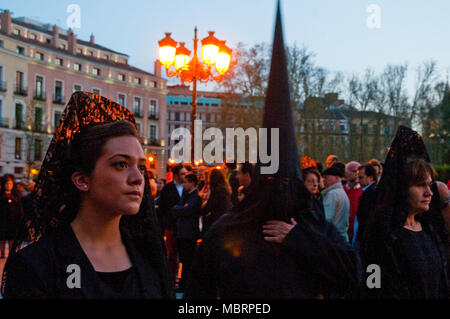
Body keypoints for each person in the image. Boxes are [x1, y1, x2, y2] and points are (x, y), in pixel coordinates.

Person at [184, 4, 361, 299]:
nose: (281, 192)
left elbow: (352, 274)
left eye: (288, 185)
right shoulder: (226, 231)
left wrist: (299, 240)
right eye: (272, 184)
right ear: (258, 184)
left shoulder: (314, 227)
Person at [1, 92, 174, 299]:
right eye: (121, 164)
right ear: (82, 180)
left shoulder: (148, 255)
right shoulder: (37, 264)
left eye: (141, 168)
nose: (138, 178)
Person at [361, 126, 449, 299]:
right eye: (419, 185)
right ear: (401, 189)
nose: (429, 193)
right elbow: (373, 286)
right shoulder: (381, 235)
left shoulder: (429, 230)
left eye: (429, 185)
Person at [172, 173, 202, 291]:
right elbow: (177, 208)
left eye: (186, 182)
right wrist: (182, 209)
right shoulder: (187, 197)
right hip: (183, 232)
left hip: (189, 233)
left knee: (188, 260)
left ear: (192, 183)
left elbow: (186, 210)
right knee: (184, 259)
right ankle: (184, 283)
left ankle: (185, 284)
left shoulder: (195, 198)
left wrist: (181, 209)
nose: (183, 184)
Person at [157, 164, 187, 283]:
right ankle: (171, 279)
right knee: (172, 255)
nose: (185, 176)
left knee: (184, 254)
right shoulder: (168, 188)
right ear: (175, 176)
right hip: (171, 226)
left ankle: (182, 279)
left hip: (184, 226)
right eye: (182, 174)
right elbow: (162, 208)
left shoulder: (188, 187)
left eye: (185, 173)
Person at [321, 164, 350, 242]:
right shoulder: (341, 192)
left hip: (333, 238)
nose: (324, 180)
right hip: (342, 237)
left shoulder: (332, 194)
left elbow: (327, 218)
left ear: (336, 178)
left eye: (326, 177)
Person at [200, 169, 232, 236]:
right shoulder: (225, 189)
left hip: (217, 220)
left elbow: (209, 207)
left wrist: (199, 209)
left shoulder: (216, 191)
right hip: (225, 218)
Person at [352, 164, 377, 250]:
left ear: (370, 178)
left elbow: (365, 218)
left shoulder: (371, 194)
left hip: (365, 238)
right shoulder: (370, 192)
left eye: (361, 178)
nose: (358, 181)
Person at [0, 175, 24, 259]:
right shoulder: (1, 196)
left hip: (13, 221)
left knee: (11, 238)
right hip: (2, 221)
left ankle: (11, 253)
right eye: (7, 184)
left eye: (10, 184)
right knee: (2, 239)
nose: (8, 185)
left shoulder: (15, 196)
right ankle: (2, 253)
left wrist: (20, 218)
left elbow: (20, 209)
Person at [344, 161, 362, 242]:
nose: (356, 174)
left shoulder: (363, 191)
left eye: (358, 172)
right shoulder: (342, 190)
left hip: (356, 230)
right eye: (354, 171)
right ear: (346, 173)